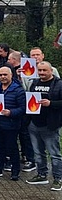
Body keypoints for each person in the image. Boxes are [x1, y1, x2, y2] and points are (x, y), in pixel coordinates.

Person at [26, 61, 62, 190]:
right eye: (39, 70)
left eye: (44, 70)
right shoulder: (34, 83)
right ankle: (42, 175)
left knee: (54, 154)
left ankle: (58, 178)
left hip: (50, 125)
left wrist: (51, 103)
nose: (41, 73)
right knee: (38, 153)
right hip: (34, 124)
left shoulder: (59, 84)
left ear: (51, 71)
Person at [0, 66, 25, 180]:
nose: (3, 77)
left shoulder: (18, 90)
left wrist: (11, 112)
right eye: (0, 75)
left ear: (11, 75)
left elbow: (23, 108)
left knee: (12, 148)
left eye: (5, 75)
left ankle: (15, 170)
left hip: (11, 124)